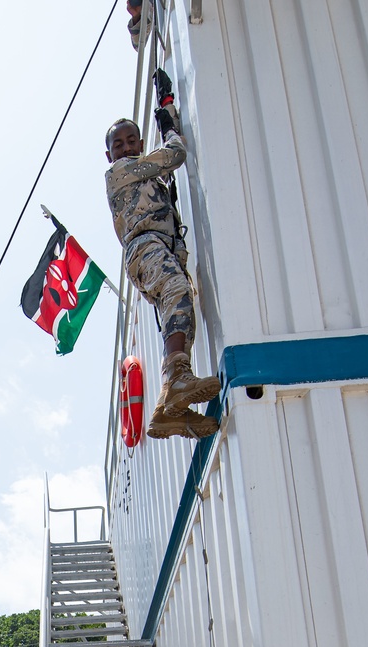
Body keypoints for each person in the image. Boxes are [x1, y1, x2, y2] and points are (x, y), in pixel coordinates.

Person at [105, 107, 221, 441]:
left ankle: (168, 411)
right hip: (144, 245)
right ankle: (179, 377)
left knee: (180, 313)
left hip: (158, 247)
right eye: (118, 145)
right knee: (177, 292)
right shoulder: (121, 172)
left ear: (140, 142)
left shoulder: (146, 177)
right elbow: (175, 155)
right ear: (110, 154)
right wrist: (169, 128)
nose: (125, 148)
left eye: (130, 141)